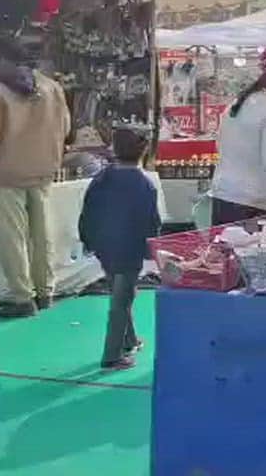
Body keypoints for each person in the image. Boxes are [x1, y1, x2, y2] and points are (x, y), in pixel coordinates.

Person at [0, 37, 70, 318]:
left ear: (1, 58)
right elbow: (65, 128)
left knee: (12, 238)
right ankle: (46, 292)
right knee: (43, 236)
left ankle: (22, 298)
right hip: (43, 170)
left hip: (5, 174)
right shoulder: (52, 87)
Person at [78, 125, 159, 371]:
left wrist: (88, 239)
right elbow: (151, 222)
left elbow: (87, 211)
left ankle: (129, 340)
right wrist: (151, 249)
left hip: (104, 245)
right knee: (121, 300)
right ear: (144, 150)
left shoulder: (101, 179)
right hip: (129, 248)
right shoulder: (144, 185)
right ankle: (111, 355)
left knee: (121, 291)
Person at [210, 47, 266, 223]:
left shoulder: (236, 105)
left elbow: (220, 146)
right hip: (256, 207)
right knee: (254, 251)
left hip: (223, 199)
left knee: (226, 250)